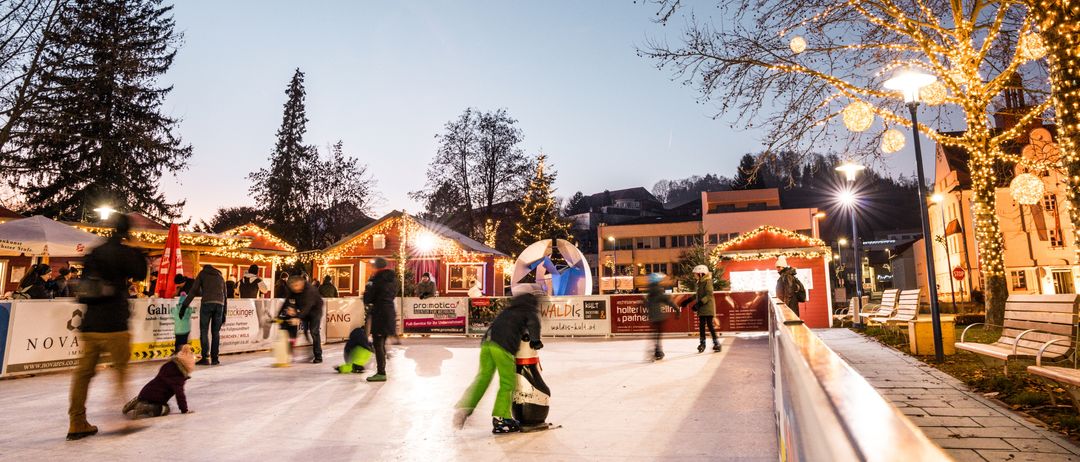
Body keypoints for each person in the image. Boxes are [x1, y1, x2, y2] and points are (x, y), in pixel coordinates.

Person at [67, 214, 148, 441]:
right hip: (115, 322)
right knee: (121, 371)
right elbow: (141, 272)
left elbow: (86, 279)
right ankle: (119, 421)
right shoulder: (124, 253)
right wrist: (136, 248)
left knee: (83, 375)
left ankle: (76, 421)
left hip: (91, 322)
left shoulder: (96, 252)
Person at [455, 293, 543, 434]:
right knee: (507, 382)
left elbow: (510, 325)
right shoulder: (528, 310)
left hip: (487, 344)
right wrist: (536, 341)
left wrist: (524, 333)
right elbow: (533, 324)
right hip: (503, 346)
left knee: (482, 378)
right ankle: (502, 419)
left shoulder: (509, 310)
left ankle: (465, 406)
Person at [122, 344, 195, 418]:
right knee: (165, 409)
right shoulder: (178, 375)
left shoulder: (169, 365)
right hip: (156, 398)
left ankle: (137, 401)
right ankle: (144, 407)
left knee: (148, 398)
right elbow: (180, 394)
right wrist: (184, 410)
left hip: (145, 392)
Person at [179, 265, 228, 366]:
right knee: (216, 333)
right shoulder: (220, 276)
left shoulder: (202, 274)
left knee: (204, 331)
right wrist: (224, 313)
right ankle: (215, 359)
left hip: (207, 304)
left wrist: (184, 306)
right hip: (220, 305)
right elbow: (225, 296)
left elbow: (193, 291)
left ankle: (205, 358)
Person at [363, 257, 397, 382]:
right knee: (381, 343)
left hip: (380, 313)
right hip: (389, 312)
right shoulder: (392, 279)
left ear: (376, 266)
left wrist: (368, 289)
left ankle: (381, 372)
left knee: (378, 343)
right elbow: (392, 294)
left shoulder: (376, 279)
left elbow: (368, 298)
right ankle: (381, 369)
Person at [285, 275, 325, 363]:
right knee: (305, 331)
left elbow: (307, 306)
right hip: (304, 311)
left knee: (314, 332)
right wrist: (291, 307)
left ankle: (318, 356)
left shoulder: (310, 290)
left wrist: (298, 317)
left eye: (296, 286)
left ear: (301, 283)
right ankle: (309, 351)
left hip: (315, 311)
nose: (294, 289)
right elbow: (289, 300)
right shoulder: (293, 289)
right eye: (292, 287)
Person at [645, 273, 679, 360]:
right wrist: (677, 310)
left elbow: (646, 304)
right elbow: (669, 301)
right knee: (658, 333)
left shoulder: (650, 292)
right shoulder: (658, 290)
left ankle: (656, 349)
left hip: (652, 316)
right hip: (659, 316)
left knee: (655, 333)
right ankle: (658, 350)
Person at [692, 265, 721, 353]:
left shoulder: (707, 281)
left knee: (709, 325)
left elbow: (709, 295)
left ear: (701, 273)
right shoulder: (700, 282)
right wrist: (691, 302)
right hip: (702, 308)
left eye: (696, 274)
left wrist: (699, 303)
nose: (695, 275)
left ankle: (716, 343)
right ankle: (702, 343)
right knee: (701, 326)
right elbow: (698, 295)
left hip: (707, 307)